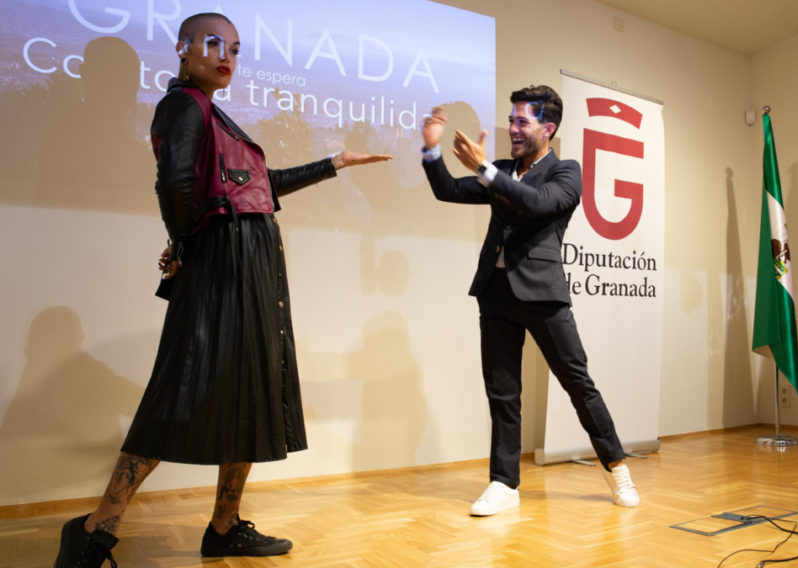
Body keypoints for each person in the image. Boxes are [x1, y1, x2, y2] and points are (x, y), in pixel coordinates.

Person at [54, 13, 391, 568]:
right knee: (179, 391)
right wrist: (186, 245)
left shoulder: (214, 114)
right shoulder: (184, 105)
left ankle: (225, 526)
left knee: (250, 391)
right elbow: (175, 184)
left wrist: (334, 164)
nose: (226, 55)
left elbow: (260, 186)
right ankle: (95, 528)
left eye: (234, 47)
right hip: (223, 263)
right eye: (213, 43)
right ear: (183, 48)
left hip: (248, 264)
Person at [420, 85, 640, 516]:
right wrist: (431, 153)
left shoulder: (567, 172)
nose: (514, 129)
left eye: (523, 122)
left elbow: (538, 204)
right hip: (496, 293)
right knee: (503, 394)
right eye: (512, 119)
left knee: (578, 384)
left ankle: (616, 467)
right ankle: (504, 484)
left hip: (542, 294)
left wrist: (487, 170)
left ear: (548, 128)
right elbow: (448, 189)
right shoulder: (501, 169)